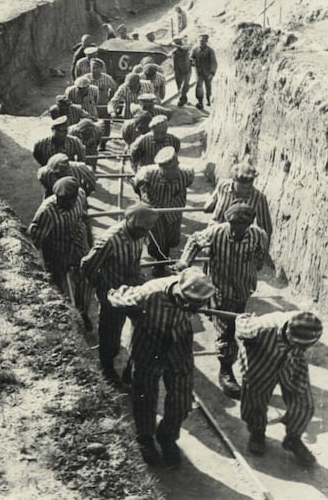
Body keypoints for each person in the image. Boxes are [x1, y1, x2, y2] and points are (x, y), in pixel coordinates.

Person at [108, 268, 215, 466]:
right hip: (149, 339)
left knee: (182, 396)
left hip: (179, 338)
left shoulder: (196, 288)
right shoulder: (149, 293)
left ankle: (167, 436)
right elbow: (117, 299)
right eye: (192, 306)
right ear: (181, 298)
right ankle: (145, 438)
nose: (196, 310)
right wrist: (128, 308)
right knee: (145, 391)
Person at [176, 203, 268, 398]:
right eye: (234, 225)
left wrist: (253, 266)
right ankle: (225, 371)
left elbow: (260, 255)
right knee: (226, 330)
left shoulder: (258, 235)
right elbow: (194, 240)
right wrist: (185, 262)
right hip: (220, 288)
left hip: (243, 288)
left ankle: (218, 325)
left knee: (234, 321)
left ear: (250, 225)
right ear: (228, 222)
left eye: (242, 226)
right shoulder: (216, 232)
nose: (237, 230)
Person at [80, 203, 159, 383]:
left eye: (148, 230)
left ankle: (131, 366)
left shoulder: (139, 235)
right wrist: (100, 287)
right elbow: (87, 264)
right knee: (111, 334)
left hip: (134, 288)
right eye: (143, 230)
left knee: (144, 325)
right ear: (132, 224)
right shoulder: (110, 240)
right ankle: (107, 369)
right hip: (113, 294)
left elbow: (136, 260)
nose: (146, 234)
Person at [235, 310, 323, 466]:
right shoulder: (260, 327)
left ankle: (293, 438)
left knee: (304, 402)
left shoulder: (305, 323)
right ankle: (257, 433)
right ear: (288, 334)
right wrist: (245, 322)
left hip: (292, 362)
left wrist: (297, 349)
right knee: (255, 400)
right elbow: (240, 325)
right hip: (261, 364)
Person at [29, 176, 91, 326]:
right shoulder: (47, 212)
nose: (67, 203)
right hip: (57, 251)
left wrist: (89, 240)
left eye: (70, 200)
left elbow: (83, 215)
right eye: (62, 200)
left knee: (85, 277)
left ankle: (82, 313)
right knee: (58, 284)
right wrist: (37, 263)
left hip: (77, 244)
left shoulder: (81, 195)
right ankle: (67, 318)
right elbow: (35, 238)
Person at [133, 146, 194, 276]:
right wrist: (144, 198)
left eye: (173, 168)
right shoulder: (148, 173)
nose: (170, 172)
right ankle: (160, 264)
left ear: (178, 164)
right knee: (157, 241)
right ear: (160, 167)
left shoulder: (187, 174)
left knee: (172, 239)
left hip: (174, 210)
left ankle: (163, 257)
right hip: (155, 210)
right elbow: (136, 184)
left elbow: (188, 184)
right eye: (166, 169)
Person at [204, 160, 272, 244]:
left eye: (250, 186)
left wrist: (263, 249)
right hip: (216, 236)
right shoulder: (222, 186)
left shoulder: (259, 198)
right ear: (234, 180)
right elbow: (209, 205)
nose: (247, 191)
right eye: (243, 188)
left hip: (240, 242)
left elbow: (266, 230)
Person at [85, 58, 117, 148]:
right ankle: (92, 142)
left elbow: (114, 88)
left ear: (100, 69)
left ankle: (103, 143)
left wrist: (110, 100)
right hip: (90, 106)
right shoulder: (86, 78)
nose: (93, 70)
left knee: (105, 125)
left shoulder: (107, 78)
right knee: (91, 125)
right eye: (92, 67)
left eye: (96, 68)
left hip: (103, 106)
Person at [190, 33, 218, 109]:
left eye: (202, 41)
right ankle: (200, 102)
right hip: (198, 71)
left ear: (206, 42)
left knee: (208, 86)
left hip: (208, 72)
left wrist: (212, 73)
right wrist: (191, 61)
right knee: (199, 86)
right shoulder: (195, 49)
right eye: (199, 41)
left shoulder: (210, 50)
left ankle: (208, 99)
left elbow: (214, 62)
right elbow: (191, 58)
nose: (201, 43)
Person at [171, 37, 192, 107]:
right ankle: (184, 98)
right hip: (178, 70)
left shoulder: (185, 49)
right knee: (179, 85)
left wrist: (178, 46)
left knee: (185, 85)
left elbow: (188, 47)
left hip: (186, 70)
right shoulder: (174, 52)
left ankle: (181, 99)